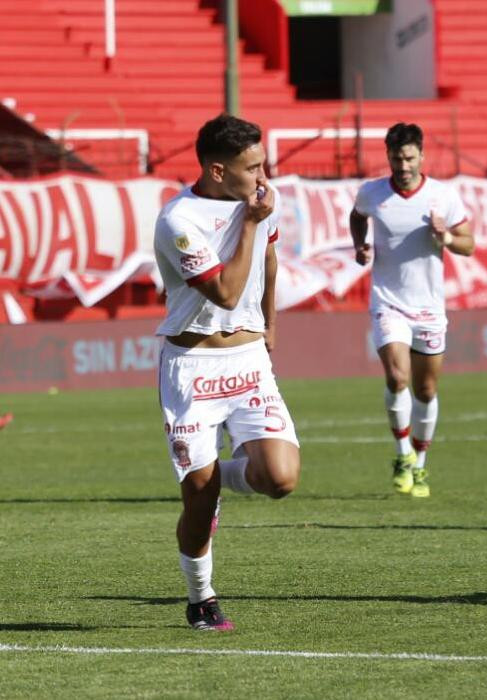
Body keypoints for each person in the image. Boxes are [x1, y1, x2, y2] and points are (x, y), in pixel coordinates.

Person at [154, 114, 300, 630]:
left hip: (248, 361)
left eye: (264, 164)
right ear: (217, 171)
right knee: (197, 501)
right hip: (193, 369)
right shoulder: (179, 221)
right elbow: (227, 293)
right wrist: (253, 221)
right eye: (252, 167)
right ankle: (201, 598)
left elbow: (269, 260)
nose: (263, 178)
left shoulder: (260, 201)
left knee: (280, 479)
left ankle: (218, 483)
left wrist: (272, 326)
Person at [350, 123, 474, 498]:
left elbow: (468, 244)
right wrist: (361, 246)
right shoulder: (372, 193)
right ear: (387, 156)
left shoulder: (443, 196)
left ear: (421, 156)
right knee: (397, 377)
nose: (403, 165)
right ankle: (403, 454)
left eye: (409, 157)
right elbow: (358, 216)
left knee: (426, 388)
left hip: (430, 308)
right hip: (388, 303)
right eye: (396, 157)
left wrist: (446, 237)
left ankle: (420, 464)